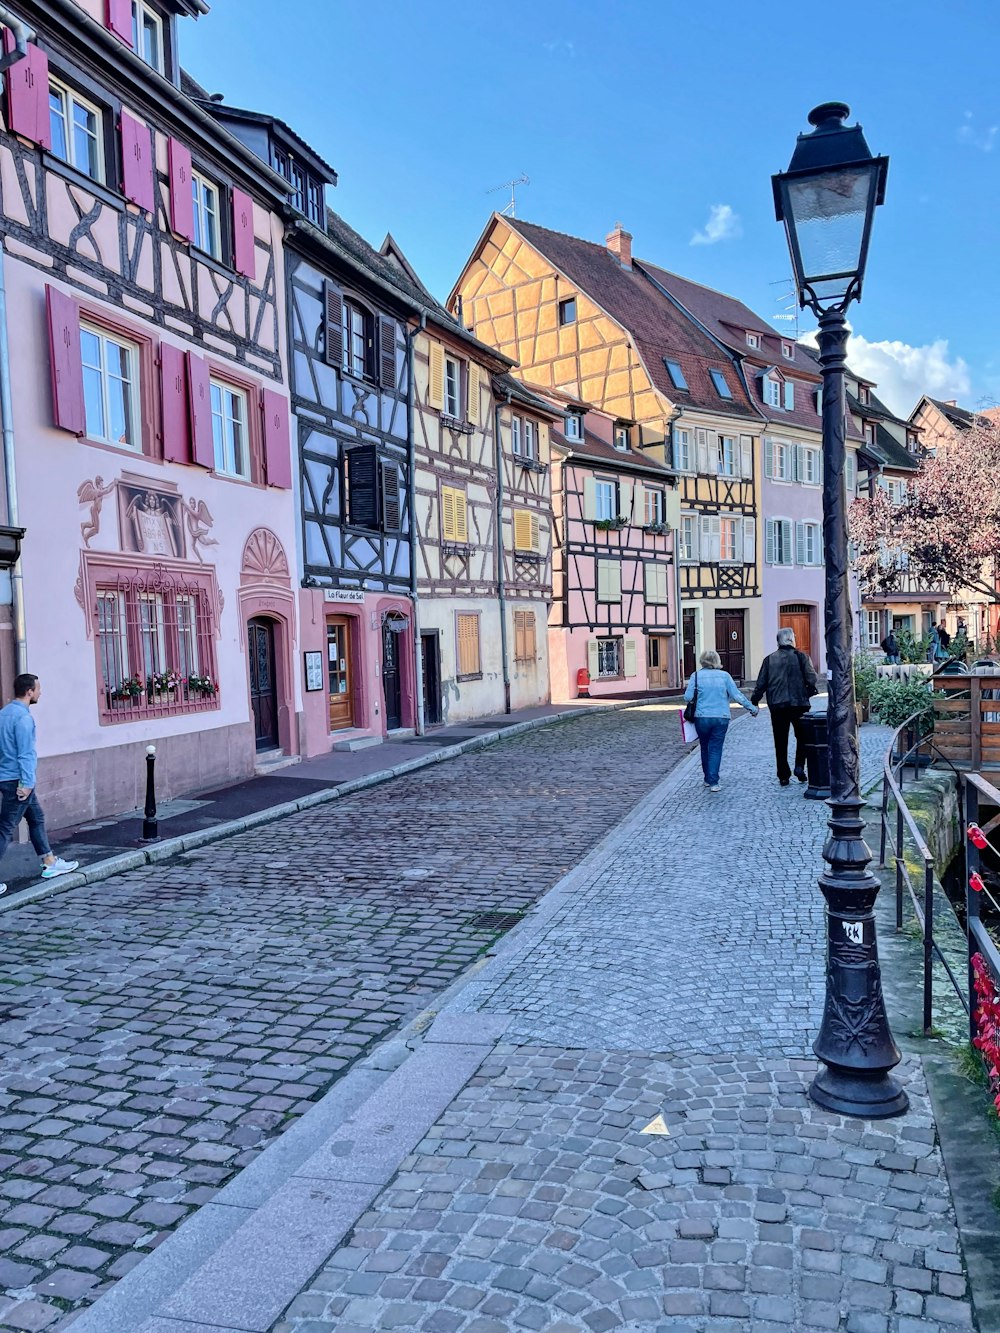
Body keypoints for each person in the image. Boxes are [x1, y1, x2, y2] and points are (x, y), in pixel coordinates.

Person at [0, 674, 78, 896]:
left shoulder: (3, 714)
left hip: (6, 777)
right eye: (38, 689)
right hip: (18, 781)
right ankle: (50, 862)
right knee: (5, 829)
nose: (40, 692)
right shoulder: (23, 719)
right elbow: (25, 754)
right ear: (29, 692)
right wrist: (26, 783)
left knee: (36, 818)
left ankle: (50, 862)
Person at [751, 628, 819, 786]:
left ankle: (783, 774)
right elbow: (812, 678)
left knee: (780, 740)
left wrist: (754, 700)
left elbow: (761, 683)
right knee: (802, 737)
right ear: (790, 640)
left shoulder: (769, 660)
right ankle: (799, 766)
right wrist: (807, 688)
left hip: (777, 705)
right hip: (799, 704)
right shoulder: (802, 657)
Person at [683, 649, 758, 792]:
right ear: (717, 661)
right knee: (716, 748)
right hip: (721, 717)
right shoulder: (725, 676)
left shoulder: (696, 676)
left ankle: (707, 778)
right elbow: (737, 695)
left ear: (702, 661)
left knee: (704, 747)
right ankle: (714, 782)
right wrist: (751, 708)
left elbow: (687, 697)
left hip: (702, 717)